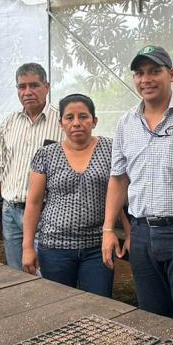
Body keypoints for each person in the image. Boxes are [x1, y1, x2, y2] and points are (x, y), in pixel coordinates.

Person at [102, 45, 173, 329]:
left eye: (154, 71)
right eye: (139, 73)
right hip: (141, 233)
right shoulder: (127, 123)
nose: (145, 79)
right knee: (152, 319)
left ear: (172, 74)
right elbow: (119, 178)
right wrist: (107, 229)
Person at [23, 94, 127, 296]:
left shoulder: (111, 149)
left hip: (97, 247)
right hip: (55, 247)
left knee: (98, 304)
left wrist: (128, 232)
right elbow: (34, 203)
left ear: (94, 121)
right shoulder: (46, 154)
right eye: (69, 117)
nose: (76, 123)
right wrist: (27, 247)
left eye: (83, 116)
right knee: (58, 306)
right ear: (60, 122)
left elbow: (118, 194)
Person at [0, 63, 64, 270]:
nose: (27, 92)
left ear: (46, 87)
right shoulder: (9, 122)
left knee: (43, 273)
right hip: (11, 211)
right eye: (22, 87)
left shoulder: (62, 121)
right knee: (16, 271)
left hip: (46, 211)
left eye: (34, 85)